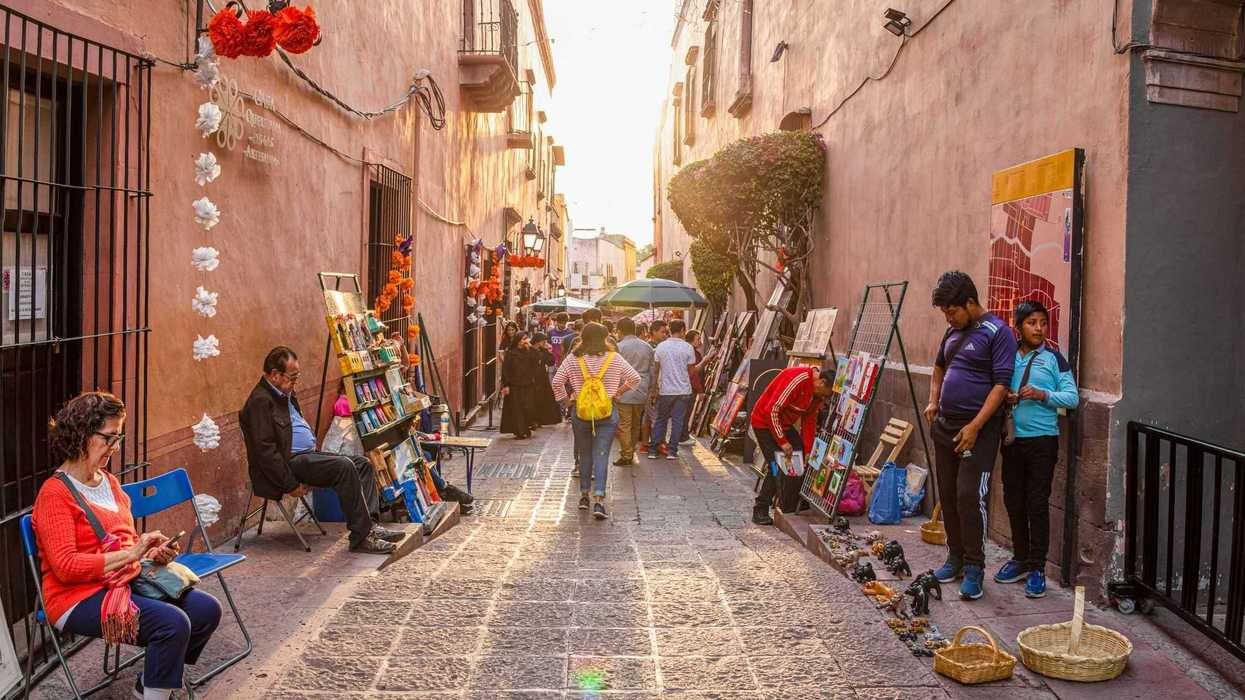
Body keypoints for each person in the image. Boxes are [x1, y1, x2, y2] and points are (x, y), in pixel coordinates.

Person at [33, 392, 222, 700]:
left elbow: (126, 541)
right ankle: (157, 690)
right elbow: (66, 567)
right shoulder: (54, 494)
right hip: (76, 599)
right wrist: (132, 554)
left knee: (206, 611)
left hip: (123, 581)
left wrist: (152, 552)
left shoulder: (108, 481)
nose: (116, 447)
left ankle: (150, 683)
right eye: (110, 438)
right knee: (171, 625)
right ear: (81, 434)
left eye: (118, 438)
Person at [240, 346, 402, 555]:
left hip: (306, 456)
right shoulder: (260, 402)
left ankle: (368, 526)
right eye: (292, 378)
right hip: (290, 463)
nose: (295, 382)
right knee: (344, 466)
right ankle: (361, 538)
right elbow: (266, 452)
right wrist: (290, 484)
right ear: (274, 374)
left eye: (297, 377)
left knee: (363, 464)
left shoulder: (284, 393)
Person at [923, 271, 1017, 600]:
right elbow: (938, 368)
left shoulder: (999, 333)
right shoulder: (952, 332)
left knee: (969, 495)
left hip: (978, 430)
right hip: (945, 426)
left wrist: (975, 426)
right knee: (948, 494)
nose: (948, 318)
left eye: (952, 312)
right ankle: (956, 558)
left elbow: (1001, 385)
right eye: (945, 313)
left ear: (970, 302)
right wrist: (933, 400)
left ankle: (975, 566)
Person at [995, 300, 1079, 598]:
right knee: (1013, 500)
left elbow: (1072, 397)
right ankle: (1020, 558)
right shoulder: (1007, 357)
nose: (1039, 328)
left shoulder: (1055, 359)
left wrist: (1043, 394)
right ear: (1018, 326)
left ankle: (1037, 567)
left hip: (1043, 441)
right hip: (1012, 441)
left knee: (1037, 503)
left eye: (1043, 323)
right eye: (1032, 323)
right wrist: (1006, 396)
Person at [552, 323, 641, 520]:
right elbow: (635, 378)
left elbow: (557, 382)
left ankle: (584, 496)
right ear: (605, 337)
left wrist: (567, 402)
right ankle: (599, 500)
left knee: (584, 454)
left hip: (581, 412)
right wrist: (618, 392)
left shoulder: (574, 358)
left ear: (583, 337)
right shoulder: (614, 358)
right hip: (607, 412)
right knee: (601, 455)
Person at [749, 366, 833, 525]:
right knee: (775, 465)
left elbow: (809, 421)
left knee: (799, 456)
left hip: (784, 426)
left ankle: (789, 502)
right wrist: (782, 441)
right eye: (825, 394)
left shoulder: (817, 395)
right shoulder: (798, 379)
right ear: (822, 382)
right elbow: (771, 411)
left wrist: (808, 450)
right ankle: (760, 508)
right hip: (764, 423)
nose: (824, 398)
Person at [649, 319, 697, 461]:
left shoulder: (661, 347)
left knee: (661, 420)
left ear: (670, 330)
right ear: (682, 330)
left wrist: (654, 389)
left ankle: (653, 450)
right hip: (683, 390)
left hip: (666, 390)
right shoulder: (688, 348)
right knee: (678, 421)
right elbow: (691, 371)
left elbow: (656, 370)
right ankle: (672, 451)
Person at [500, 332, 560, 438]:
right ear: (518, 341)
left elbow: (539, 358)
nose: (525, 341)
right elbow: (506, 370)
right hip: (515, 385)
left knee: (528, 407)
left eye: (526, 339)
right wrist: (506, 385)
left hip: (528, 385)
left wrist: (532, 347)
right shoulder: (511, 353)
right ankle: (520, 432)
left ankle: (525, 428)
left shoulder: (530, 352)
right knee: (517, 409)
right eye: (523, 339)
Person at [613, 318, 655, 466]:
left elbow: (615, 371)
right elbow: (652, 370)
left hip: (623, 388)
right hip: (642, 388)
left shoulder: (619, 347)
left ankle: (627, 454)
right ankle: (630, 450)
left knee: (624, 424)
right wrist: (652, 388)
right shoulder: (647, 347)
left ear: (620, 331)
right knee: (636, 423)